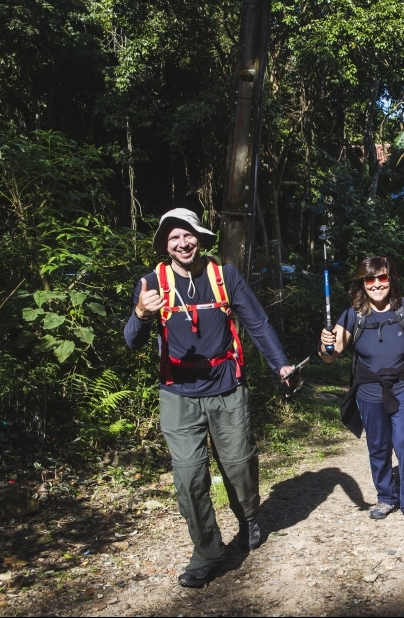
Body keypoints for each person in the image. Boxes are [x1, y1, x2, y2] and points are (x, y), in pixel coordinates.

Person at [124, 208, 295, 588]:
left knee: (237, 464)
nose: (183, 243)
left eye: (189, 235)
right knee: (188, 477)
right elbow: (132, 341)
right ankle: (207, 552)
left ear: (200, 238)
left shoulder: (224, 276)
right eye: (174, 238)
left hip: (226, 387)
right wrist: (140, 313)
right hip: (177, 393)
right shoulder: (152, 283)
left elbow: (257, 323)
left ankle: (249, 515)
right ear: (165, 245)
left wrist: (280, 365)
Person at [319, 257, 404, 532]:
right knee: (378, 446)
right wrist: (325, 345)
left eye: (383, 278)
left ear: (391, 280)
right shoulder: (352, 314)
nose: (377, 284)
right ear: (362, 283)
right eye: (371, 279)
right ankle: (386, 497)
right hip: (369, 389)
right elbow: (330, 358)